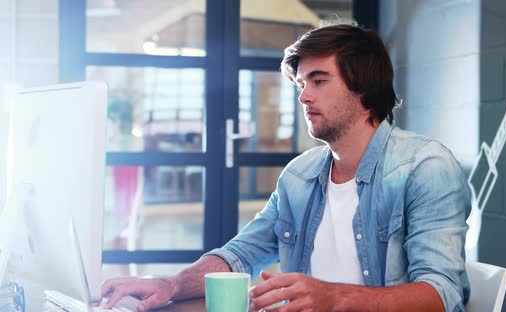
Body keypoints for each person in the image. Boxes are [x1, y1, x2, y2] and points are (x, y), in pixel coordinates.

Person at [101, 23, 471, 312]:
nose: (303, 95)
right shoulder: (300, 175)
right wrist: (170, 285)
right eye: (300, 83)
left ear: (363, 88)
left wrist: (332, 298)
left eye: (319, 81)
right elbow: (239, 255)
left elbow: (441, 296)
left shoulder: (424, 167)